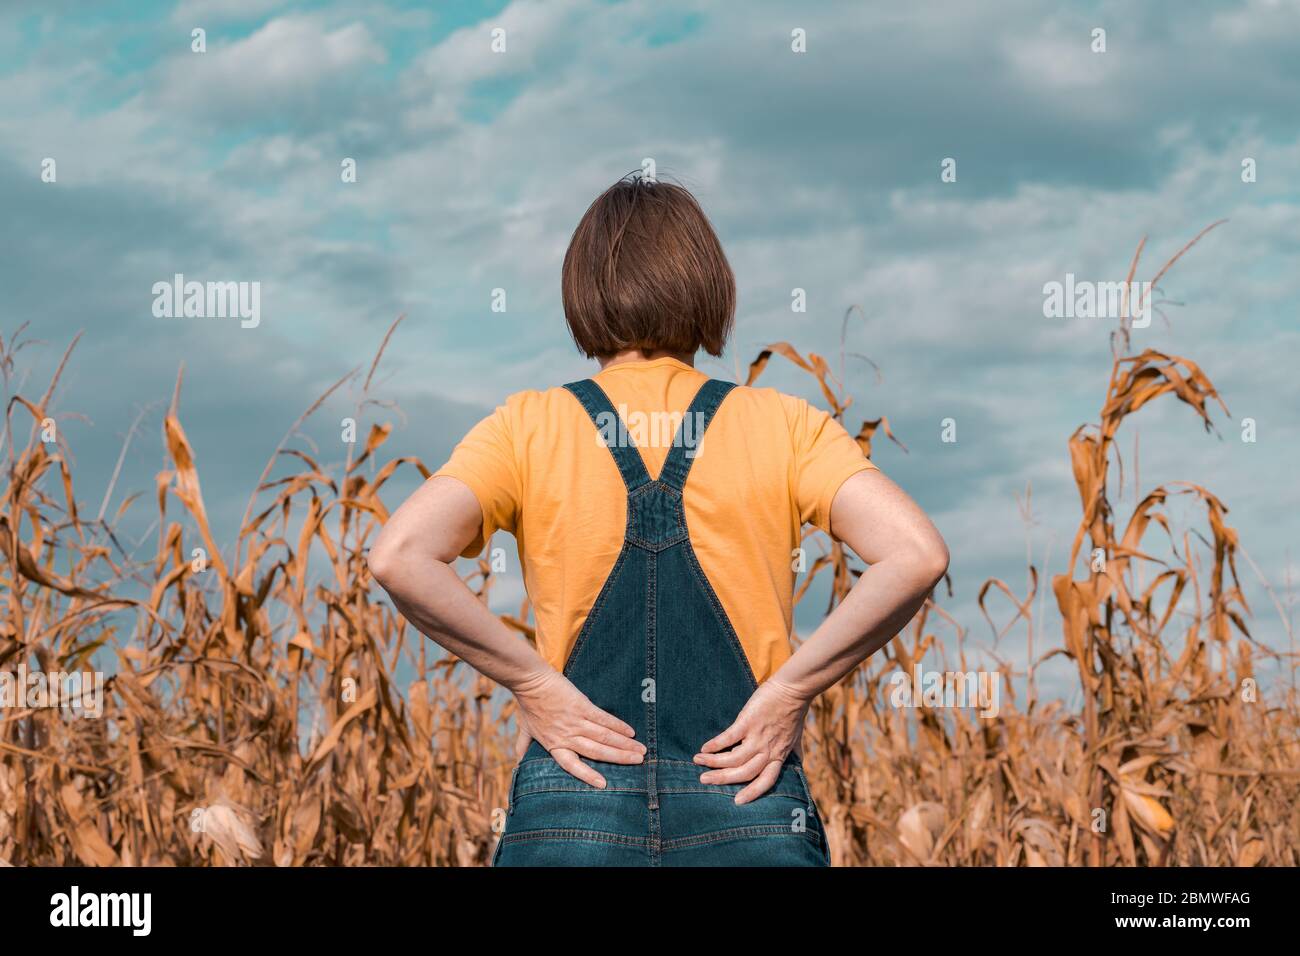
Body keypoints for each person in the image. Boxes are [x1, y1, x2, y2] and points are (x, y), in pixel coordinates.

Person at [368, 174, 949, 866]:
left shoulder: (529, 426)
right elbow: (916, 554)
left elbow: (399, 555)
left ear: (582, 292)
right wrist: (791, 690)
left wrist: (532, 684)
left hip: (573, 805)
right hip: (745, 796)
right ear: (707, 285)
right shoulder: (784, 424)